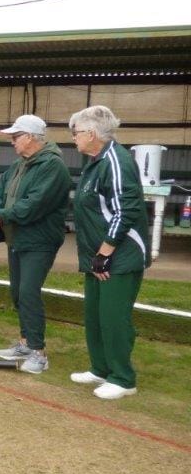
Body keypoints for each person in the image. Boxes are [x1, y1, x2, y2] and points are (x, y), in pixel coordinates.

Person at [0, 114, 71, 373]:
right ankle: (25, 342)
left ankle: (39, 353)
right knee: (18, 293)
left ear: (30, 137)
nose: (12, 142)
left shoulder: (52, 166)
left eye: (15, 136)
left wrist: (0, 216)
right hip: (17, 238)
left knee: (29, 292)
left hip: (39, 240)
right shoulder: (19, 164)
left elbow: (34, 204)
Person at [68, 106, 150, 400]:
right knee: (95, 315)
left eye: (76, 132)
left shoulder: (116, 160)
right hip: (98, 255)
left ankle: (123, 378)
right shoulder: (95, 161)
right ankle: (101, 368)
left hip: (120, 255)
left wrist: (104, 254)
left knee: (114, 318)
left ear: (92, 134)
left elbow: (125, 210)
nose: (74, 138)